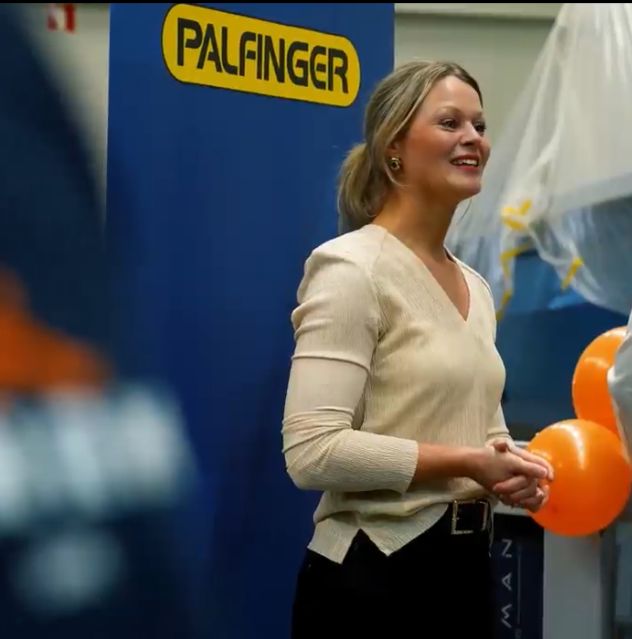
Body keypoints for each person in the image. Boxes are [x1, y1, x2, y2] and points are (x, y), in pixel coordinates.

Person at [281, 60, 554, 637]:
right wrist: (468, 462)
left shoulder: (476, 288)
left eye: (479, 126)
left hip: (464, 575)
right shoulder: (351, 268)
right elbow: (312, 451)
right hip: (372, 583)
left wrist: (514, 467)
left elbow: (484, 436)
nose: (474, 139)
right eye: (450, 123)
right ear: (394, 149)